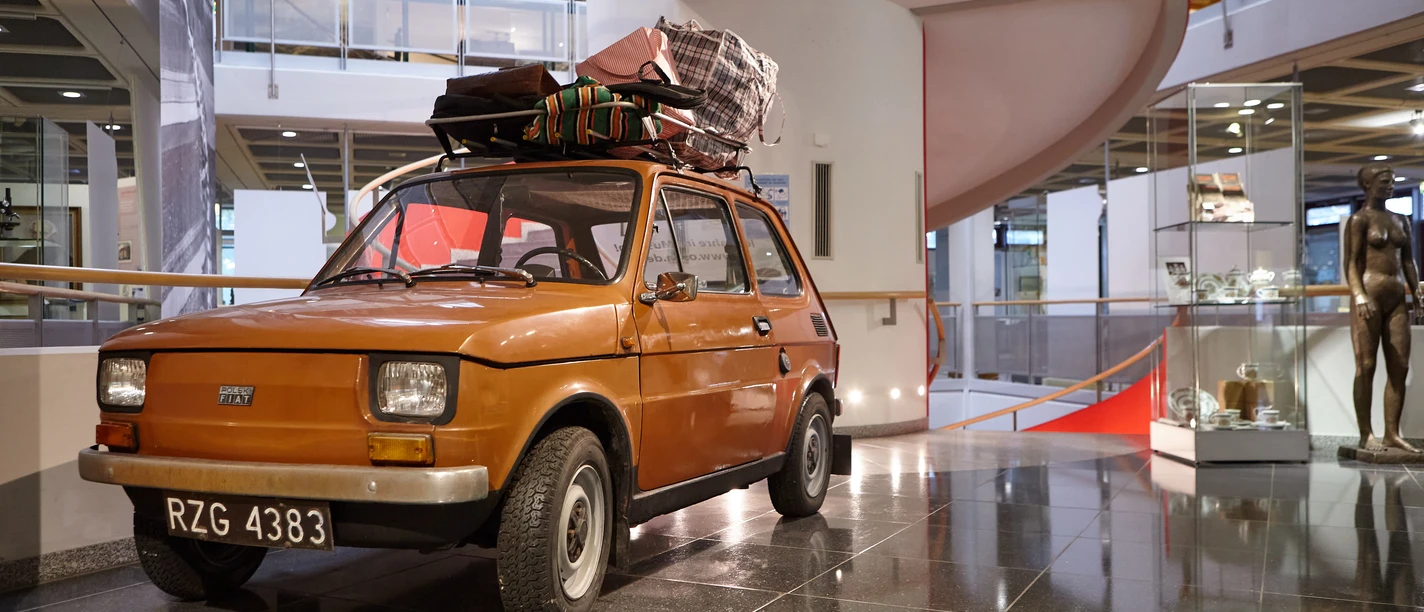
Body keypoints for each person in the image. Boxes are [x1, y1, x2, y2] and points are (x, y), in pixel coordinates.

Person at [1343, 162, 1422, 453]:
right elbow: (1351, 262)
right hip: (1369, 295)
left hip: (1396, 297)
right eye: (1384, 181)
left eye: (1392, 181)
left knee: (1399, 366)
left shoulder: (1401, 220)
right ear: (1368, 185)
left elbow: (1408, 261)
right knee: (1366, 366)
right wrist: (1359, 295)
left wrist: (1416, 292)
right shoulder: (1359, 220)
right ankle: (1366, 434)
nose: (1390, 186)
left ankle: (1392, 433)